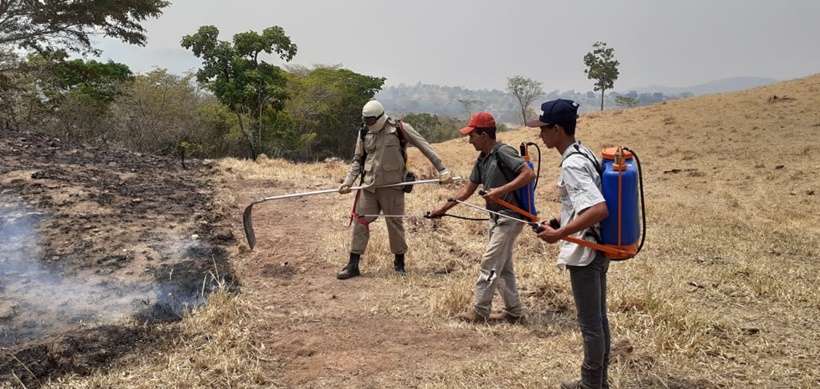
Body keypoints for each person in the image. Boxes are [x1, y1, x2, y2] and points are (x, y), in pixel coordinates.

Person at [527, 99, 611, 389]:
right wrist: (559, 223)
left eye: (543, 129)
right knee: (598, 320)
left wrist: (560, 235)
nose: (540, 135)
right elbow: (584, 207)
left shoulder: (572, 164)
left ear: (557, 129)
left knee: (590, 324)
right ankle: (599, 382)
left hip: (586, 251)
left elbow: (598, 209)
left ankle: (591, 384)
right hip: (595, 245)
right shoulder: (582, 152)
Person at [428, 112, 535, 324]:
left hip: (510, 217)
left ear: (484, 135)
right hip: (496, 218)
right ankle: (514, 313)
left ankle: (480, 310)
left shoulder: (504, 152)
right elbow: (466, 190)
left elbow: (528, 175)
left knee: (489, 262)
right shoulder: (483, 159)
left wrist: (500, 190)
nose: (469, 140)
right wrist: (442, 209)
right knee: (503, 267)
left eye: (472, 135)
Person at [336, 99, 452, 280]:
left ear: (380, 117)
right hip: (369, 186)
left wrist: (442, 169)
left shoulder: (399, 128)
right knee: (360, 221)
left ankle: (399, 265)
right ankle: (353, 264)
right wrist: (348, 182)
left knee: (394, 224)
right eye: (366, 121)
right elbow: (358, 159)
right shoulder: (364, 131)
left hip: (392, 187)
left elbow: (424, 146)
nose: (369, 124)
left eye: (371, 121)